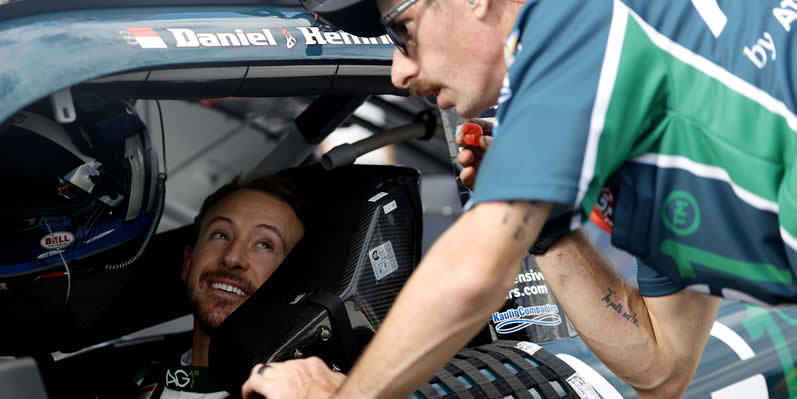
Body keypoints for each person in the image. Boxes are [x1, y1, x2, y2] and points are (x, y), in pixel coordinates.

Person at [243, 1, 797, 398]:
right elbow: (662, 369)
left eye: (403, 30)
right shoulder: (643, 130)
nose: (400, 70)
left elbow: (471, 276)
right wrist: (545, 228)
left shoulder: (577, 21)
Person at [129, 173, 307, 398]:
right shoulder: (117, 380)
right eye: (221, 234)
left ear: (292, 282)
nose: (232, 258)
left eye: (264, 244)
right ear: (187, 263)